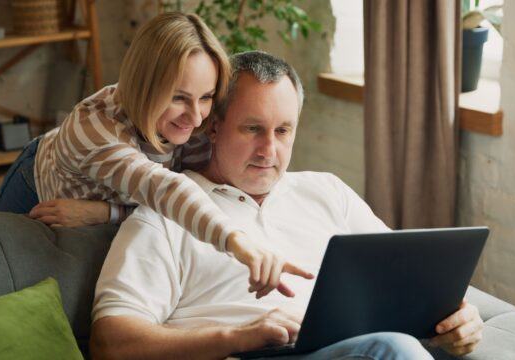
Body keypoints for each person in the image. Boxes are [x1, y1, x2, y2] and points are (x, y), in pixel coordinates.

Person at [90, 51, 484, 359]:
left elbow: (408, 281)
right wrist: (240, 337)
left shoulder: (326, 191)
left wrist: (457, 317)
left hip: (353, 348)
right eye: (253, 129)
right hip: (251, 355)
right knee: (391, 351)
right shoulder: (167, 214)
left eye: (282, 131)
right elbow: (110, 343)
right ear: (213, 125)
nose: (269, 150)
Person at [0, 13, 311, 299]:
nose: (197, 117)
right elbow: (165, 190)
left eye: (207, 97)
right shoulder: (94, 131)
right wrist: (238, 243)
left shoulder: (198, 123)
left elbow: (177, 195)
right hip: (45, 186)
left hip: (114, 202)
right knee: (4, 283)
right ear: (144, 85)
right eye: (179, 98)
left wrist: (105, 213)